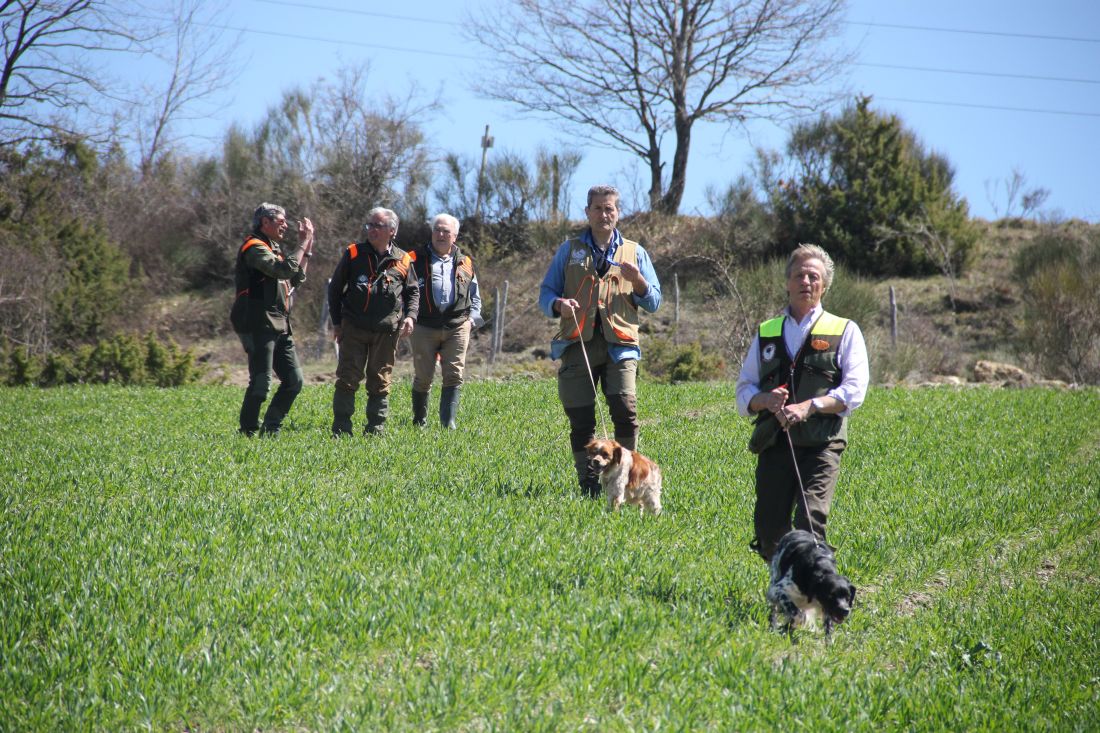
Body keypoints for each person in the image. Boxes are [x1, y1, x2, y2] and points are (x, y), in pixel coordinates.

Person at [735, 243, 869, 563]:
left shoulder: (845, 330)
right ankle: (783, 591)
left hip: (823, 443)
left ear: (824, 285)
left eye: (813, 276)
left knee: (809, 524)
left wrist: (810, 406)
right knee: (769, 530)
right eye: (799, 275)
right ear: (787, 282)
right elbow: (743, 389)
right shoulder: (766, 331)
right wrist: (762, 400)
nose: (806, 282)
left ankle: (815, 594)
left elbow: (855, 389)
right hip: (775, 442)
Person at [538, 184, 662, 497]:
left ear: (618, 213)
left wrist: (639, 282)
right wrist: (558, 305)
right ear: (587, 212)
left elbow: (655, 302)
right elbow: (546, 294)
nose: (604, 214)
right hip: (577, 341)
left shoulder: (635, 252)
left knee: (624, 410)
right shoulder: (569, 250)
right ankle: (590, 485)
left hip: (620, 344)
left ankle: (625, 481)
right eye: (598, 208)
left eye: (610, 209)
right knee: (580, 418)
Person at [327, 207, 419, 436]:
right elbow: (335, 289)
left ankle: (375, 430)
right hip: (354, 327)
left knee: (380, 380)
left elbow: (413, 293)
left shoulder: (404, 259)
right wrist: (337, 323)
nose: (371, 230)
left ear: (392, 230)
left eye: (377, 226)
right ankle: (341, 430)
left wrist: (410, 316)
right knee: (347, 377)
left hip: (387, 331)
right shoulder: (354, 253)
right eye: (369, 225)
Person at [231, 202, 314, 436]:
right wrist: (300, 244)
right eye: (280, 221)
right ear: (264, 222)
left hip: (280, 324)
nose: (285, 226)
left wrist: (306, 246)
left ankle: (271, 428)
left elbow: (294, 278)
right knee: (261, 384)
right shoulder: (253, 247)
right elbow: (282, 271)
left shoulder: (273, 249)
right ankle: (247, 433)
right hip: (258, 322)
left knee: (294, 381)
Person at [409, 213, 483, 429]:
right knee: (423, 377)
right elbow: (401, 291)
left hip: (457, 326)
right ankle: (419, 422)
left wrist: (471, 320)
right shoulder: (413, 258)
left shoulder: (465, 262)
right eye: (437, 230)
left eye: (446, 231)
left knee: (454, 374)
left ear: (455, 236)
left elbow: (475, 295)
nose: (440, 235)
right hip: (423, 326)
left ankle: (447, 423)